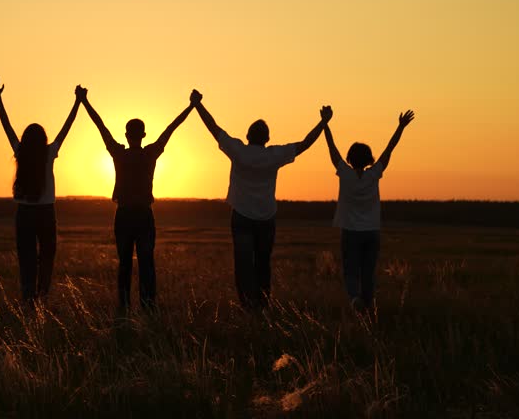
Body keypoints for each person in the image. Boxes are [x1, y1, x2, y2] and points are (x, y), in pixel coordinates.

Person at [190, 90, 332, 308]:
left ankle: (246, 304)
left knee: (243, 263)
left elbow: (214, 129)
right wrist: (323, 122)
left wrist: (198, 105)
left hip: (241, 216)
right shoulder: (274, 155)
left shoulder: (238, 150)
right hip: (266, 217)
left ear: (247, 136)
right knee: (263, 262)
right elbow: (305, 144)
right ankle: (263, 304)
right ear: (267, 138)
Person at [79, 86, 194, 311]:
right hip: (142, 215)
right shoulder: (150, 153)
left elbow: (100, 125)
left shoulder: (119, 153)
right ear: (142, 135)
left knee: (125, 263)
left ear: (126, 135)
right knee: (146, 263)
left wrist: (84, 101)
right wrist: (190, 106)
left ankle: (124, 306)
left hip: (124, 215)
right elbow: (171, 128)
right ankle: (147, 307)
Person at [0, 76, 82, 302]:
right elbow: (66, 128)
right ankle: (42, 294)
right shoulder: (49, 153)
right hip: (46, 213)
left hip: (24, 214)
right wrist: (78, 102)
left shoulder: (20, 151)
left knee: (26, 258)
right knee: (47, 256)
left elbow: (6, 125)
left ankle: (28, 297)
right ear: (43, 139)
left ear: (25, 138)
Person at [322, 109, 415, 312]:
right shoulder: (374, 174)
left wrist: (325, 124)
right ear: (369, 159)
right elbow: (389, 149)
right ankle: (369, 307)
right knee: (368, 272)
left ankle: (355, 299)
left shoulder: (344, 174)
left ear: (349, 158)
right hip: (372, 231)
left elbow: (331, 147)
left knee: (351, 271)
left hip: (350, 231)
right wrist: (400, 127)